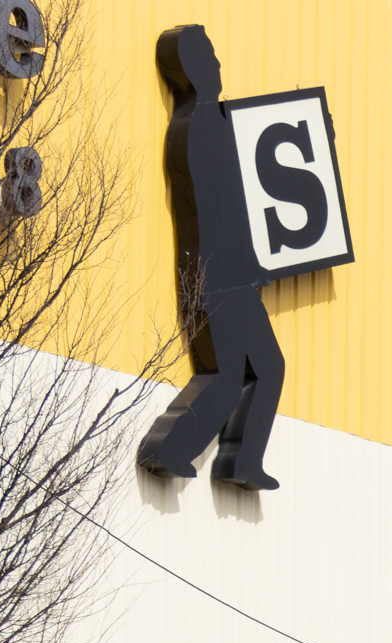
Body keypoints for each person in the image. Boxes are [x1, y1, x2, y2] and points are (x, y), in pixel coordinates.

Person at [138, 25, 286, 491]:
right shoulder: (205, 126)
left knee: (255, 370)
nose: (220, 65)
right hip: (223, 277)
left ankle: (238, 461)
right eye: (211, 56)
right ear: (194, 67)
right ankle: (174, 449)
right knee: (234, 374)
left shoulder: (198, 124)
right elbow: (223, 207)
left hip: (218, 275)